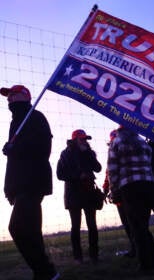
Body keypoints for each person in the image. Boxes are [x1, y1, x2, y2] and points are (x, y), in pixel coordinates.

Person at [1, 85, 59, 280]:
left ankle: (47, 272)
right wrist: (9, 187)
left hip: (33, 181)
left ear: (25, 96)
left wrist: (14, 148)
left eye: (13, 94)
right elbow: (15, 161)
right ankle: (43, 274)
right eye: (7, 96)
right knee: (32, 232)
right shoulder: (16, 121)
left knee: (17, 228)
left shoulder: (35, 117)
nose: (9, 98)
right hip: (21, 184)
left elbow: (43, 148)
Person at [107, 126, 154, 271]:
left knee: (136, 227)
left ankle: (146, 264)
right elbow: (149, 162)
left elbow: (112, 170)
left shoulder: (116, 142)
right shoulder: (142, 142)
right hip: (148, 184)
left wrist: (113, 190)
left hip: (130, 186)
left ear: (119, 131)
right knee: (143, 224)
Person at [56, 129, 102, 264]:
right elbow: (60, 174)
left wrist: (89, 154)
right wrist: (77, 176)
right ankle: (78, 257)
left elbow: (98, 168)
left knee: (92, 225)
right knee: (75, 226)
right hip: (73, 194)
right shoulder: (65, 154)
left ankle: (94, 255)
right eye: (82, 138)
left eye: (86, 139)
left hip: (89, 192)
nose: (84, 141)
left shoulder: (89, 152)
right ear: (75, 140)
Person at [102, 129, 136, 258]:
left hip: (123, 192)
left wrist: (108, 189)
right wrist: (105, 189)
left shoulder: (115, 153)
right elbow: (108, 173)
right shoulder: (132, 149)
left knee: (131, 222)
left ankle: (138, 249)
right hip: (125, 192)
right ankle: (137, 248)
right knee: (131, 223)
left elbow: (110, 173)